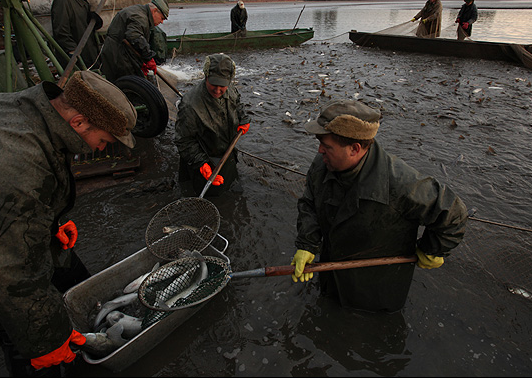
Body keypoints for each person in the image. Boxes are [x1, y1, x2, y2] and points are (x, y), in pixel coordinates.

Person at [0, 70, 137, 376]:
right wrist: (45, 339)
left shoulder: (25, 108)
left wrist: (50, 218)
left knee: (68, 277)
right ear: (79, 122)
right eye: (104, 140)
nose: (102, 148)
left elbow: (13, 200)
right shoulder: (13, 168)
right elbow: (10, 275)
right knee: (20, 333)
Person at [290, 100, 467, 313]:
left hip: (376, 291)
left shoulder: (401, 182)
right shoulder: (322, 165)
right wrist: (307, 244)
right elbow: (309, 201)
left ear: (355, 148)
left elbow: (453, 214)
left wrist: (431, 249)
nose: (319, 151)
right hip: (331, 273)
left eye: (327, 146)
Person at [175, 54, 250, 196]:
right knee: (203, 192)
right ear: (206, 76)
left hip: (226, 150)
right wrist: (201, 163)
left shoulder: (230, 89)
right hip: (203, 156)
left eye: (222, 85)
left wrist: (243, 119)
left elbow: (237, 103)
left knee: (229, 189)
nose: (217, 90)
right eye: (213, 84)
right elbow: (183, 140)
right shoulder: (190, 105)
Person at [100, 0, 169, 83]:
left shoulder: (141, 11)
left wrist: (141, 62)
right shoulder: (140, 17)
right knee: (130, 85)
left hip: (121, 51)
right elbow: (134, 36)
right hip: (117, 56)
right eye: (162, 18)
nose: (162, 22)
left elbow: (132, 42)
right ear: (155, 11)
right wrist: (149, 58)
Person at [51, 0, 101, 68]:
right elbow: (61, 30)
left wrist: (96, 22)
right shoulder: (64, 1)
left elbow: (84, 25)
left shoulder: (83, 2)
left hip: (87, 50)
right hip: (75, 54)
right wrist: (72, 51)